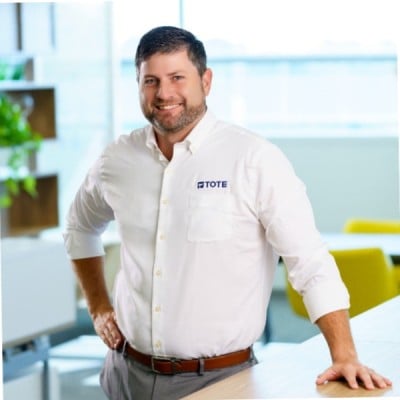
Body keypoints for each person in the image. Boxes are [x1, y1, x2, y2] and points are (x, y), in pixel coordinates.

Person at [63, 26, 392, 400]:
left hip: (218, 381)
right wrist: (99, 306)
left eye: (177, 78)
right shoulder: (117, 160)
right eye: (151, 81)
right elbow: (79, 227)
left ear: (206, 81)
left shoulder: (253, 159)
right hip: (125, 375)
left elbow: (309, 262)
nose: (164, 93)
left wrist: (344, 355)